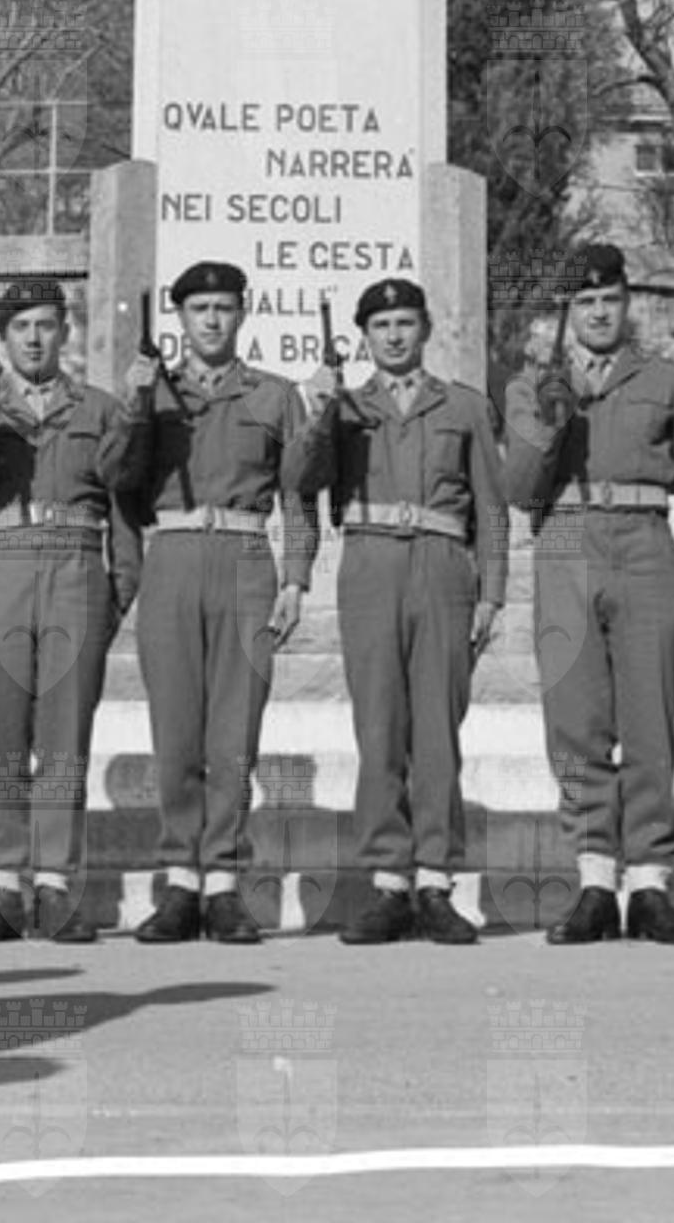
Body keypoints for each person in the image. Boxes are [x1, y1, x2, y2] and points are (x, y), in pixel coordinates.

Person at [501, 243, 674, 945]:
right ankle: (595, 879)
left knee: (651, 718)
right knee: (574, 720)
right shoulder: (532, 386)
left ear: (628, 304)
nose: (598, 313)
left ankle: (650, 882)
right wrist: (550, 420)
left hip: (647, 543)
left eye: (609, 300)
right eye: (585, 302)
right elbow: (520, 490)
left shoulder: (670, 381)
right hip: (565, 540)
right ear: (567, 311)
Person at [292, 278, 508, 945]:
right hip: (371, 566)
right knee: (379, 726)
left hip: (443, 567)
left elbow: (491, 508)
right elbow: (302, 480)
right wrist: (318, 413)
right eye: (381, 325)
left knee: (437, 729)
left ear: (426, 330)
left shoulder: (464, 407)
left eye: (405, 322)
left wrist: (492, 593)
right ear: (364, 336)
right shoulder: (345, 407)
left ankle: (436, 880)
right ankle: (389, 882)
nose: (393, 335)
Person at [0, 278, 145, 945]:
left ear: (65, 333)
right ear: (2, 339)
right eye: (20, 326)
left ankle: (54, 886)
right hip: (4, 564)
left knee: (63, 737)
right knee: (0, 733)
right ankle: (2, 888)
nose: (33, 338)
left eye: (46, 325)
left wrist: (117, 593)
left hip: (76, 569)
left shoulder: (101, 409)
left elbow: (125, 505)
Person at [117, 260, 319, 945]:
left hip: (244, 560)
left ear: (242, 313)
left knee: (234, 732)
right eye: (199, 308)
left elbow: (298, 494)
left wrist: (295, 579)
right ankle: (181, 880)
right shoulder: (153, 392)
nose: (211, 319)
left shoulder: (274, 395)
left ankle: (225, 883)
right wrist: (136, 403)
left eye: (223, 307)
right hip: (173, 558)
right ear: (179, 317)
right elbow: (119, 478)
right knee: (175, 731)